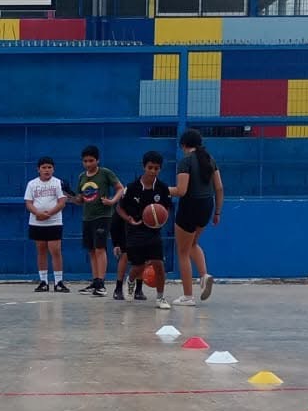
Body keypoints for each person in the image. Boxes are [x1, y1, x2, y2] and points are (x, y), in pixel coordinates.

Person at [166, 128, 224, 306]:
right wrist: (217, 212)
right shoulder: (210, 159)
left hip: (190, 206)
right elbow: (219, 188)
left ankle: (188, 296)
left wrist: (161, 190)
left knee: (182, 252)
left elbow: (181, 191)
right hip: (207, 206)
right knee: (193, 244)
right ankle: (204, 275)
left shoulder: (186, 162)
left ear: (183, 145)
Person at [116, 150, 174, 310]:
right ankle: (131, 281)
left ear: (160, 169)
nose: (153, 171)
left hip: (154, 232)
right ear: (144, 167)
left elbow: (167, 210)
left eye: (156, 168)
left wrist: (161, 220)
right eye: (150, 168)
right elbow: (119, 208)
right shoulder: (132, 188)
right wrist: (129, 219)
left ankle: (160, 298)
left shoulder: (162, 188)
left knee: (158, 265)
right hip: (135, 231)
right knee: (139, 266)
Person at [73, 145, 125, 296]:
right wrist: (73, 198)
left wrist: (112, 201)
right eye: (85, 161)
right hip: (87, 217)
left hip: (102, 216)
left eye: (91, 160)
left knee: (100, 248)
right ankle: (95, 280)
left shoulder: (105, 173)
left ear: (97, 160)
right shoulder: (82, 177)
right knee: (91, 250)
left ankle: (101, 283)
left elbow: (120, 188)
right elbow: (80, 199)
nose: (88, 164)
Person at [24, 157, 69, 292]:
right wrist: (38, 213)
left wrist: (48, 213)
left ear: (53, 169)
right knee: (41, 250)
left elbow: (62, 202)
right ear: (38, 169)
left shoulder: (58, 183)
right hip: (37, 223)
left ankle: (58, 281)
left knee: (55, 250)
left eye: (49, 167)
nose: (47, 170)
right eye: (44, 167)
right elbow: (28, 203)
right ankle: (43, 281)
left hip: (54, 222)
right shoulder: (32, 184)